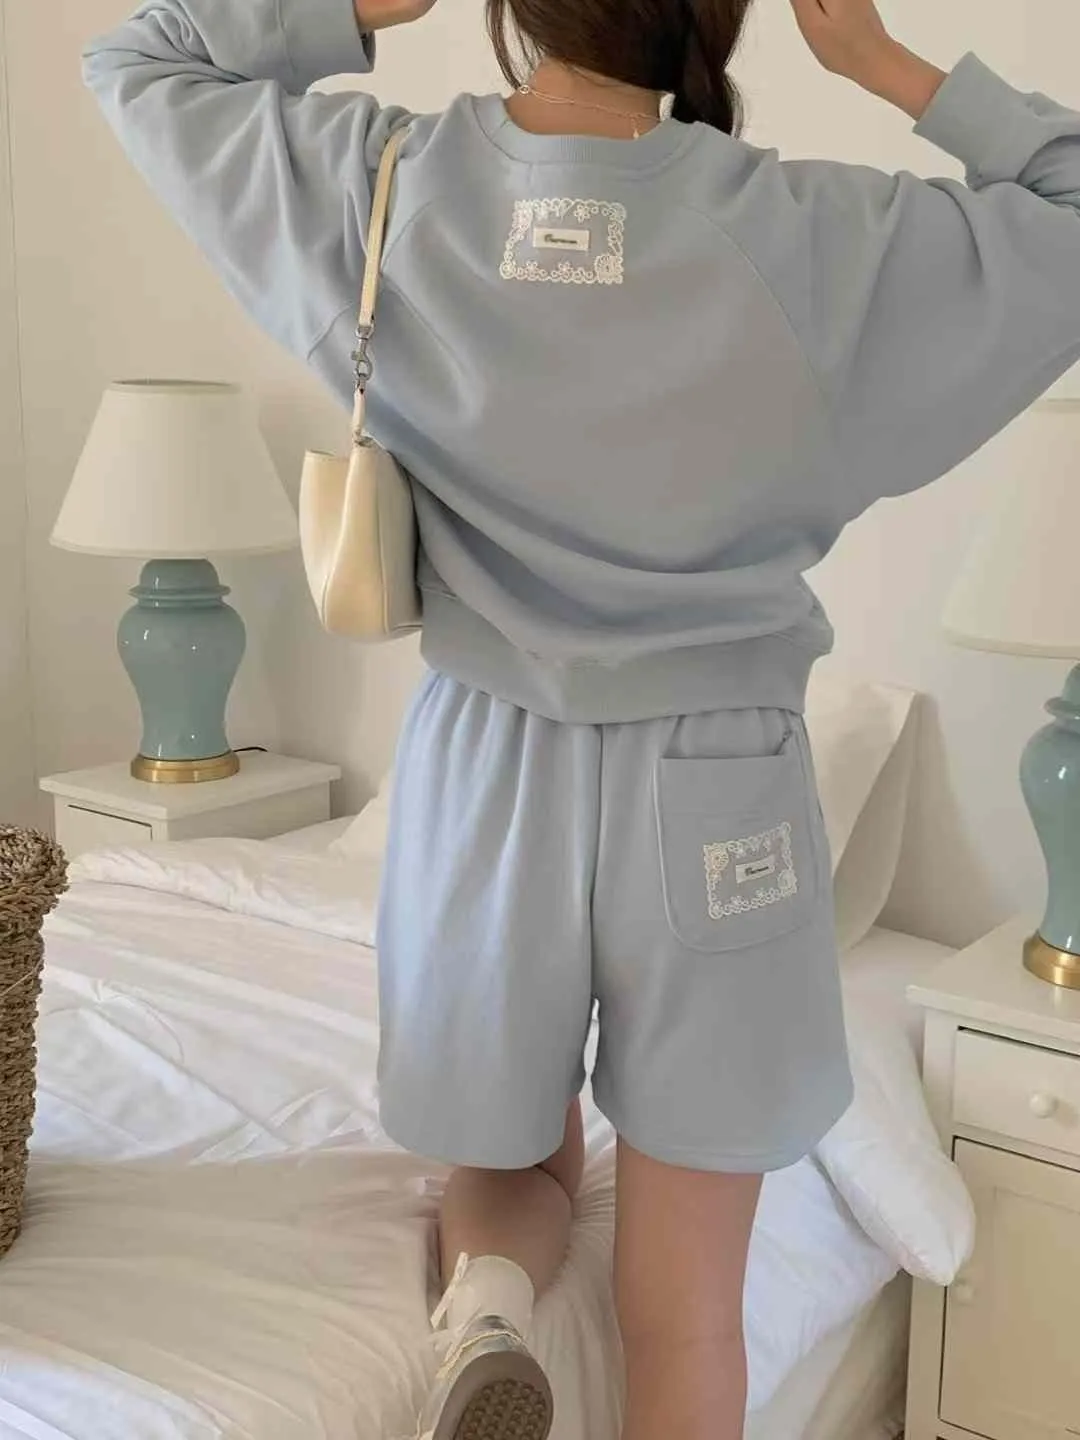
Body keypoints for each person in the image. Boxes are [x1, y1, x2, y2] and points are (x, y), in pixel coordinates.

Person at [84, 1, 1080, 1436]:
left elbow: (134, 59)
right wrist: (876, 61)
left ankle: (488, 1307)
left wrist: (358, 7)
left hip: (489, 769)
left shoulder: (382, 189)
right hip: (721, 788)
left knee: (511, 1163)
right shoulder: (818, 237)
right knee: (687, 1312)